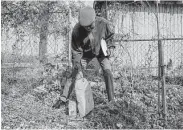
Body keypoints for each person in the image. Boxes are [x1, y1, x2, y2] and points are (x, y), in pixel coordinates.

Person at [53, 6, 116, 109]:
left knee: (108, 72)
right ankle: (63, 99)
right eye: (85, 27)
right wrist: (77, 64)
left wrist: (110, 47)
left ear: (95, 19)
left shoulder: (103, 23)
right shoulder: (77, 31)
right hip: (85, 54)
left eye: (90, 26)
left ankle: (112, 101)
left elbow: (110, 37)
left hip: (101, 52)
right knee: (75, 72)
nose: (88, 29)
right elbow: (76, 52)